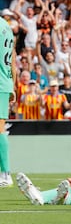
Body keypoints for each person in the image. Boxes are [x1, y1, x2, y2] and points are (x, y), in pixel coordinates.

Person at [0, 17, 16, 187]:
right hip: (4, 82)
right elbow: (12, 59)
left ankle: (5, 174)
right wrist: (12, 85)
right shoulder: (6, 26)